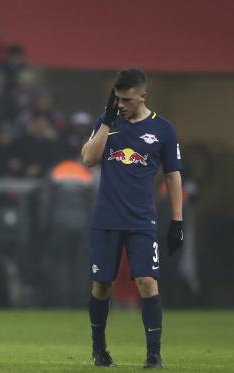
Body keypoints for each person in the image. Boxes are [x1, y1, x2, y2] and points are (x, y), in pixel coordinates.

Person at [81, 68, 184, 368]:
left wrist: (177, 221)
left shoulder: (163, 129)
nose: (121, 104)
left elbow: (173, 175)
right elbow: (88, 159)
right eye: (117, 98)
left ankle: (154, 354)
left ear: (143, 96)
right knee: (102, 285)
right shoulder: (106, 122)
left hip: (141, 220)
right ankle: (99, 349)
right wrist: (107, 123)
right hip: (106, 219)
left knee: (147, 283)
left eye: (127, 99)